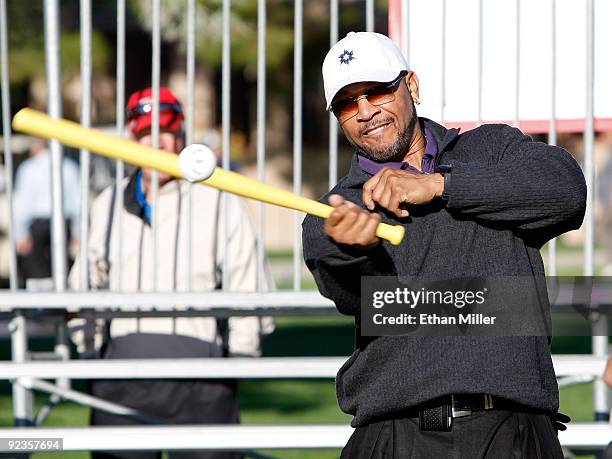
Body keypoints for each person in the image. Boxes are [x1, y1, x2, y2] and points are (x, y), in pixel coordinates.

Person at [302, 32, 586, 458]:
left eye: (377, 91)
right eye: (347, 103)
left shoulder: (490, 148)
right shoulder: (339, 209)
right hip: (396, 437)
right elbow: (348, 289)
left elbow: (566, 192)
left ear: (411, 86)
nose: (365, 112)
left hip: (515, 431)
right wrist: (348, 247)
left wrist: (440, 186)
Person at [69, 87, 273, 459]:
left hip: (201, 374)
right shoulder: (108, 202)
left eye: (166, 130)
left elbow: (248, 279)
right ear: (132, 137)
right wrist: (89, 352)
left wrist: (241, 355)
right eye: (146, 132)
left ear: (181, 135)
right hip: (122, 373)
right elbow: (84, 283)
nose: (157, 142)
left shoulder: (218, 198)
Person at [13, 138, 80, 288]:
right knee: (62, 267)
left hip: (37, 225)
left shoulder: (28, 168)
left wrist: (20, 233)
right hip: (64, 222)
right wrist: (77, 231)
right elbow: (78, 202)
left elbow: (22, 203)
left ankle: (40, 306)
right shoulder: (69, 167)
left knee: (36, 273)